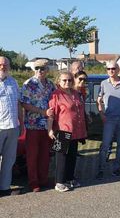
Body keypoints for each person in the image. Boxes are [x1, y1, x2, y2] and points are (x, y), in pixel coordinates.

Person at [47, 71, 87, 192]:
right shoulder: (56, 95)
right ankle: (59, 182)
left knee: (72, 156)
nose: (67, 82)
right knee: (61, 158)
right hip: (62, 130)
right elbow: (51, 113)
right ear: (59, 81)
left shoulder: (76, 93)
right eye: (64, 80)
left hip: (75, 130)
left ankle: (70, 179)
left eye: (69, 80)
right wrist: (49, 129)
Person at [20, 59, 55, 192]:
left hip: (47, 126)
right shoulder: (29, 84)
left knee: (45, 155)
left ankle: (43, 179)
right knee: (32, 155)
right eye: (37, 68)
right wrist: (43, 112)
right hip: (33, 125)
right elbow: (24, 104)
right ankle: (34, 182)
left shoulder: (50, 84)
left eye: (42, 68)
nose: (39, 71)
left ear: (47, 70)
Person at [97, 60, 120, 179]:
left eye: (113, 69)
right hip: (109, 119)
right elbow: (99, 100)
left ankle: (116, 168)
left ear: (118, 70)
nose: (111, 71)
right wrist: (101, 113)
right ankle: (101, 169)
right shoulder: (103, 83)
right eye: (109, 69)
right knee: (105, 145)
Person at [0, 57, 24, 196]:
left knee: (9, 159)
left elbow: (18, 103)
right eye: (1, 64)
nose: (3, 67)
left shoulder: (13, 82)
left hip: (13, 126)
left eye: (5, 64)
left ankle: (4, 188)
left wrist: (21, 122)